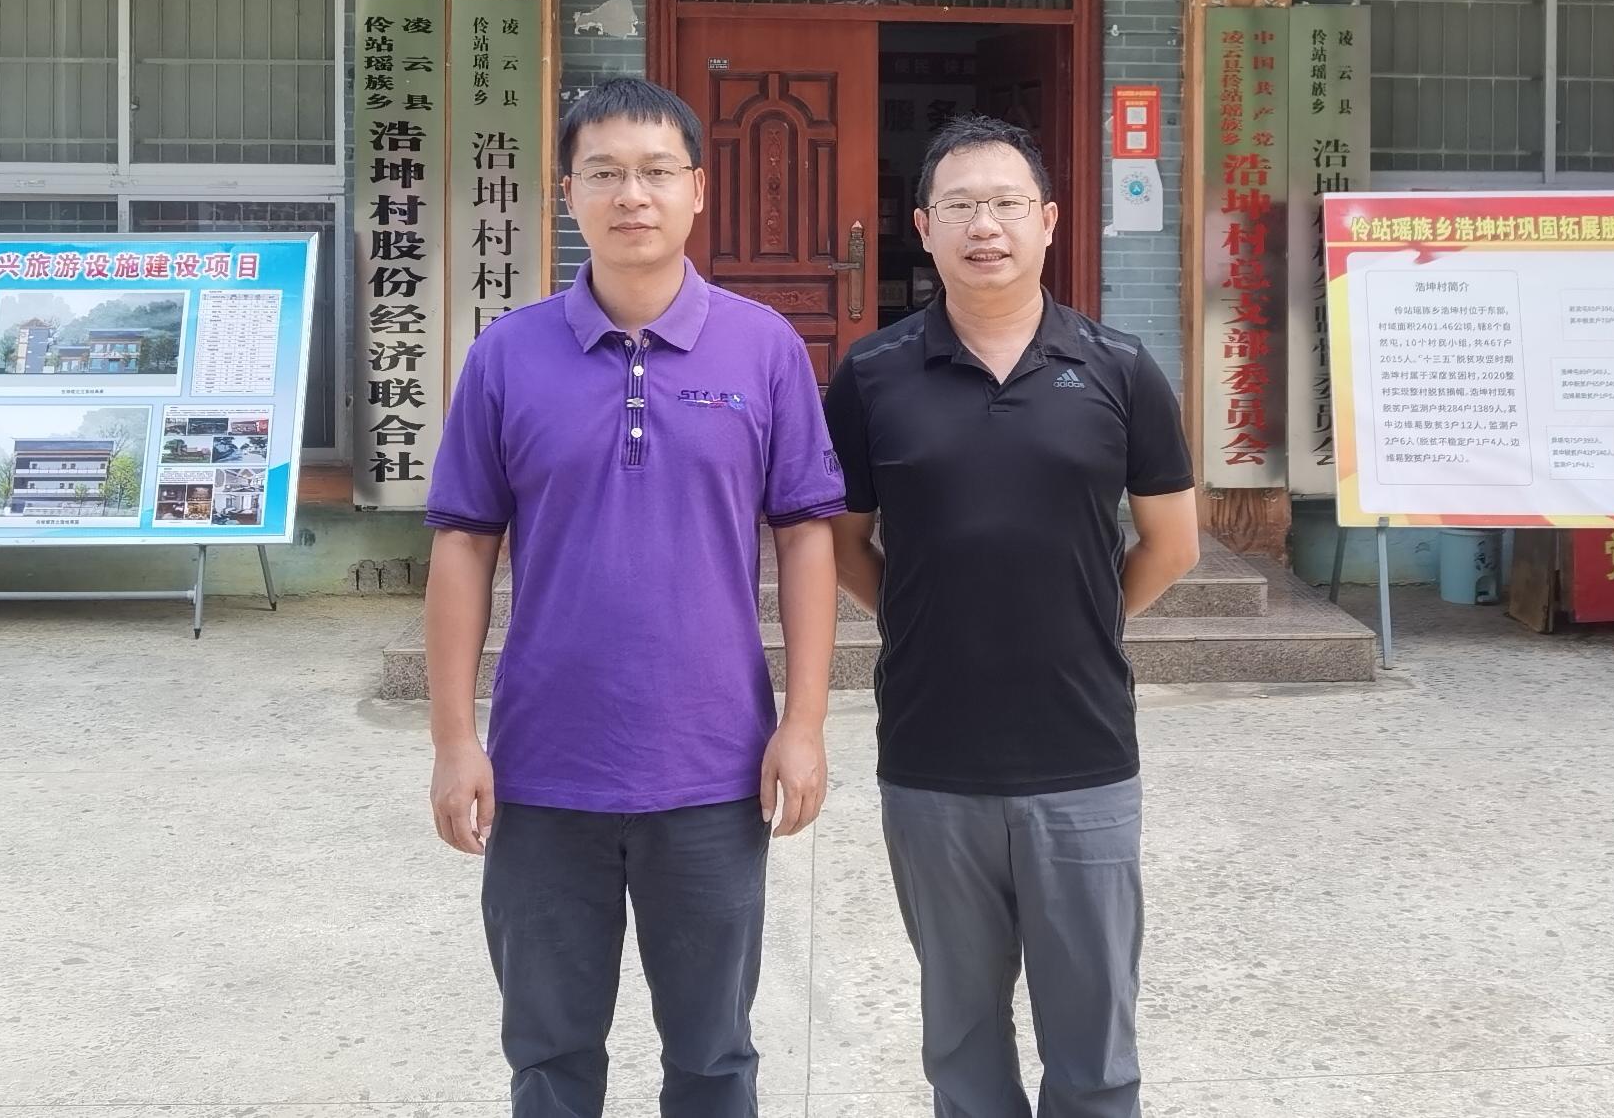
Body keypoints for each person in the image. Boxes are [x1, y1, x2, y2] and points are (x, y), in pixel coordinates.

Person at [423, 74, 845, 1118]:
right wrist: (453, 738)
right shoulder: (507, 354)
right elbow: (463, 544)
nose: (633, 194)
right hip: (543, 770)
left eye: (657, 171)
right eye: (605, 172)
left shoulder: (763, 347)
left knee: (712, 1056)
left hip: (711, 766)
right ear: (567, 190)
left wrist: (804, 722)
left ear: (698, 187)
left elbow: (805, 534)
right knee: (550, 1055)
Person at [824, 113, 1202, 1118]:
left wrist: (1084, 617)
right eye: (959, 204)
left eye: (1005, 203)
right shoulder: (872, 375)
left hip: (1082, 753)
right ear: (922, 225)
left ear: (1049, 220)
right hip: (931, 756)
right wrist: (923, 615)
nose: (983, 224)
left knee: (1096, 1055)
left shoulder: (1120, 368)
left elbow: (1173, 543)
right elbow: (841, 542)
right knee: (961, 1048)